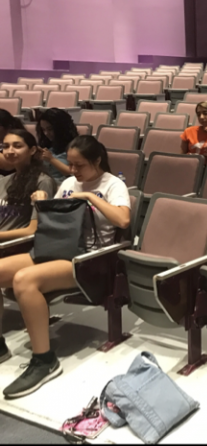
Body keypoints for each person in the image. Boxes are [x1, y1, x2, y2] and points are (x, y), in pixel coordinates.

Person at [0, 135, 131, 398]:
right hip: (58, 248)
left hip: (89, 258)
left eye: (79, 165)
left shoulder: (113, 184)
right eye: (70, 164)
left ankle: (44, 360)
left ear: (97, 161)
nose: (72, 170)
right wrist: (41, 202)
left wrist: (90, 197)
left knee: (24, 280)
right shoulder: (69, 183)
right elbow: (54, 219)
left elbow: (123, 220)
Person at [0, 127, 55, 247]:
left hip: (15, 246)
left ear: (32, 150)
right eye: (6, 146)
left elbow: (33, 230)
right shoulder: (3, 180)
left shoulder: (43, 182)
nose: (10, 151)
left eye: (17, 146)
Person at [36, 107, 78, 184]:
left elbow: (74, 173)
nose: (46, 133)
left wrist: (51, 159)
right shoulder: (46, 144)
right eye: (43, 130)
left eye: (50, 129)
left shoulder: (76, 146)